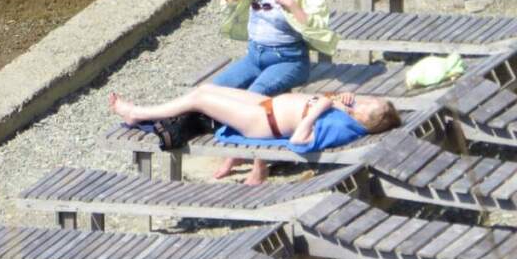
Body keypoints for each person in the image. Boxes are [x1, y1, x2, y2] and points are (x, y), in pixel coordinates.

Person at [211, 0, 335, 184]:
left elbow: (320, 26)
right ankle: (237, 149)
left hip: (288, 59)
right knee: (216, 90)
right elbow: (226, 3)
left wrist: (292, 4)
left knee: (255, 99)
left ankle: (259, 163)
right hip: (255, 56)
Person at [108, 85, 400, 181]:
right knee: (206, 88)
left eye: (366, 105)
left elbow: (299, 141)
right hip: (266, 106)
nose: (362, 101)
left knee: (199, 99)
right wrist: (337, 98)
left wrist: (320, 107)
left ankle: (138, 113)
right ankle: (145, 115)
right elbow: (327, 104)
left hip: (261, 122)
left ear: (366, 120)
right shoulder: (349, 115)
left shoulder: (341, 129)